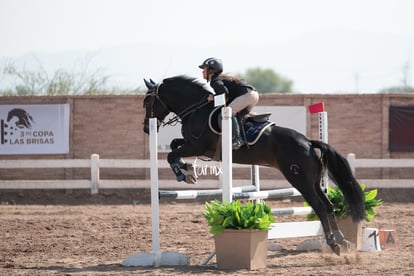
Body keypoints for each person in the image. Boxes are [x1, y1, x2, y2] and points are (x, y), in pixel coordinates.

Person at [199, 57, 259, 150]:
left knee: (228, 112)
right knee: (237, 115)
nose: (202, 72)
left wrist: (213, 98)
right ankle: (251, 122)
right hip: (253, 95)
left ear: (211, 70)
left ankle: (236, 140)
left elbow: (224, 93)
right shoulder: (220, 78)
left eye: (204, 69)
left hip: (246, 95)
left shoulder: (214, 81)